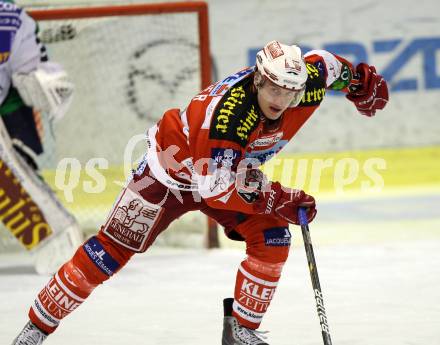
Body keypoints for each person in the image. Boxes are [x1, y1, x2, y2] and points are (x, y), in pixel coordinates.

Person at [11, 39, 388, 344]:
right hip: (167, 174)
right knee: (109, 251)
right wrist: (277, 198)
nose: (280, 99)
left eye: (288, 92)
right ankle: (35, 329)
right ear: (257, 79)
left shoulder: (307, 82)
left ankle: (241, 331)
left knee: (273, 237)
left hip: (225, 173)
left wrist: (360, 83)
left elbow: (330, 66)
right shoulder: (230, 116)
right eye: (272, 87)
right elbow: (216, 190)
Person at [0, 0, 81, 275]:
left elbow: (29, 67)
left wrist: (39, 84)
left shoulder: (10, 18)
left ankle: (56, 240)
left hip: (7, 104)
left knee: (12, 177)